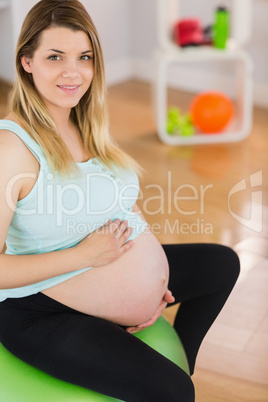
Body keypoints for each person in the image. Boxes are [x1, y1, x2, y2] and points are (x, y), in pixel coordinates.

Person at [0, 1, 240, 401]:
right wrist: (86, 258)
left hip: (99, 272)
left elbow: (116, 204)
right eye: (54, 56)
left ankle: (178, 359)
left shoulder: (85, 122)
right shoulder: (11, 147)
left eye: (84, 57)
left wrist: (149, 282)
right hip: (40, 310)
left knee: (222, 265)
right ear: (26, 61)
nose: (73, 72)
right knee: (176, 392)